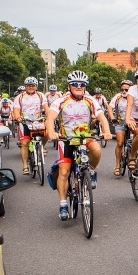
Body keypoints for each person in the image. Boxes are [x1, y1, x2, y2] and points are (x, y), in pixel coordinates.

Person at [45, 70, 113, 220]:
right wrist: (51, 132)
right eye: (75, 84)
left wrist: (106, 132)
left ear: (85, 86)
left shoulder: (90, 100)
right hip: (66, 138)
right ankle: (63, 204)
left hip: (84, 137)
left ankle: (91, 171)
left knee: (97, 150)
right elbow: (50, 118)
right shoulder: (60, 101)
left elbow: (102, 117)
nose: (78, 86)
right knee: (64, 171)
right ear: (69, 86)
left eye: (82, 84)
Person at [13, 76, 49, 175]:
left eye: (33, 85)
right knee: (24, 143)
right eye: (29, 86)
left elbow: (46, 108)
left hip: (37, 121)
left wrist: (49, 117)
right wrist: (18, 117)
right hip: (25, 122)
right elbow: (16, 110)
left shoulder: (41, 95)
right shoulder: (19, 97)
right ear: (25, 87)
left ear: (36, 86)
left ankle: (42, 146)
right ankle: (25, 166)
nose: (31, 87)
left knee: (47, 133)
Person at [107, 79, 132, 176]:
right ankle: (117, 165)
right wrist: (113, 118)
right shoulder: (118, 97)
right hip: (120, 122)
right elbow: (110, 107)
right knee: (120, 143)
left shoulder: (134, 97)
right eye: (122, 89)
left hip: (132, 122)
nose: (124, 92)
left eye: (126, 90)